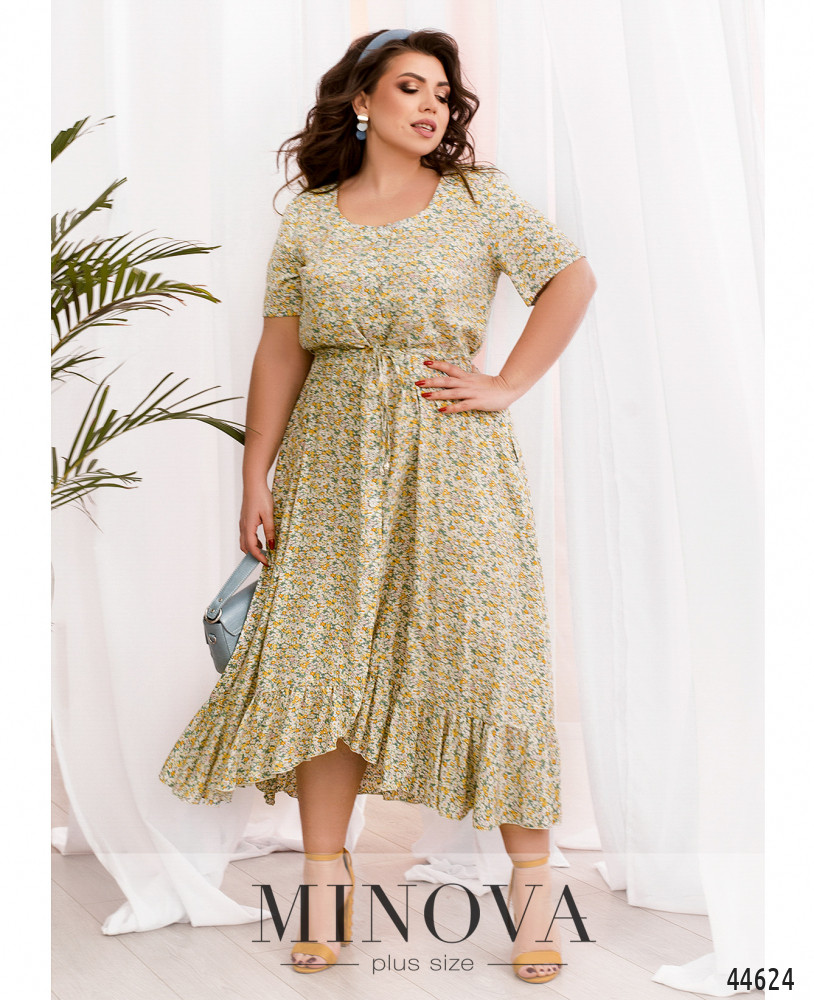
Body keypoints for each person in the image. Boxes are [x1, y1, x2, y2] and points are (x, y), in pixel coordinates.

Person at [159, 27, 597, 985]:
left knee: (492, 664)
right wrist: (255, 473)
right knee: (327, 667)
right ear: (362, 101)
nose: (432, 105)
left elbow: (571, 279)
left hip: (454, 463)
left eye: (443, 91)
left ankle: (534, 904)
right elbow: (282, 349)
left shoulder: (479, 198)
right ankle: (325, 893)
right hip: (330, 465)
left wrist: (506, 383)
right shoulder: (311, 219)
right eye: (410, 87)